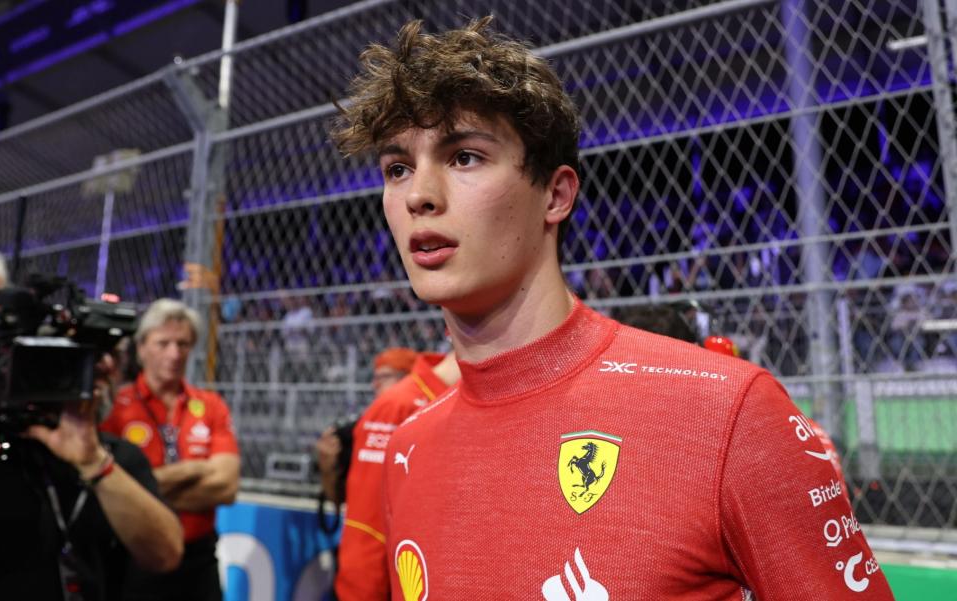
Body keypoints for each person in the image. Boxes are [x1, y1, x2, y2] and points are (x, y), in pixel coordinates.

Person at [332, 17, 893, 598]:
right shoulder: (407, 448)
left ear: (556, 194)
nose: (420, 194)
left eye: (465, 156)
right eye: (397, 168)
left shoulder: (726, 412)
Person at [0, 354, 183, 601]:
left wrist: (94, 462)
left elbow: (165, 555)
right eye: (88, 352)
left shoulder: (119, 457)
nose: (105, 363)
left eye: (113, 353)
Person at [100, 299, 240, 601]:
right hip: (134, 560)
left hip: (199, 559)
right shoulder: (116, 407)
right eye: (163, 343)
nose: (174, 354)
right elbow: (103, 488)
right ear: (141, 348)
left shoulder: (211, 405)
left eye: (183, 344)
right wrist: (192, 470)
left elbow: (226, 487)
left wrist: (140, 491)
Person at [334, 351, 459, 601]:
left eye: (383, 376)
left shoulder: (460, 396)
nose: (374, 384)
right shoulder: (399, 403)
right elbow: (368, 523)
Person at [315, 346, 419, 506]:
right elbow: (340, 499)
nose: (374, 385)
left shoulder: (420, 421)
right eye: (374, 378)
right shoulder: (363, 425)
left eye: (383, 377)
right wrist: (329, 468)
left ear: (408, 379)